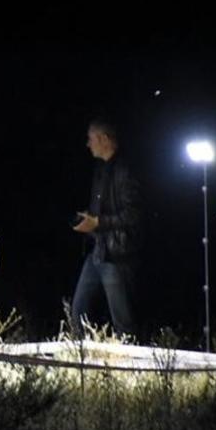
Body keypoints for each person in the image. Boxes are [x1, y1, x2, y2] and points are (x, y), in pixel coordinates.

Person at [69, 119, 142, 338]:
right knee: (77, 311)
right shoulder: (101, 170)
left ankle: (131, 366)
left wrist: (98, 222)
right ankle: (78, 362)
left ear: (104, 139)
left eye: (91, 138)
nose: (88, 144)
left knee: (122, 320)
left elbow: (134, 214)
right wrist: (88, 221)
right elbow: (101, 212)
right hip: (99, 251)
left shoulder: (126, 170)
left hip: (117, 255)